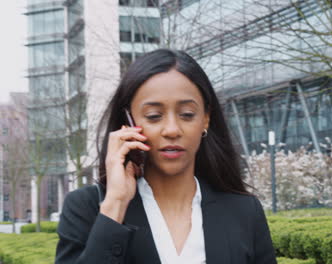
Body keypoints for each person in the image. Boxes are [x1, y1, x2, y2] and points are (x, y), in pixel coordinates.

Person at [55, 49, 277, 264]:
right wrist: (115, 204)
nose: (172, 130)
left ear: (205, 119)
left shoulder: (244, 211)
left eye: (187, 114)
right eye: (154, 116)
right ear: (128, 122)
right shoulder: (88, 207)